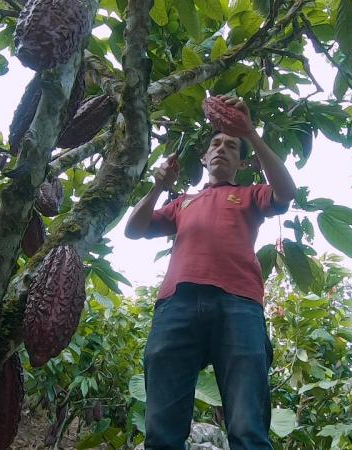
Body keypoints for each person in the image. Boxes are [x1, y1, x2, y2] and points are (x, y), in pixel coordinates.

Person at [124, 96, 297, 449]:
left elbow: (286, 192)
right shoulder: (182, 202)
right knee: (162, 427)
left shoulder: (250, 194)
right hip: (177, 303)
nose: (221, 149)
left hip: (239, 303)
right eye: (215, 144)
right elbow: (133, 229)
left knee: (248, 425)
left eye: (231, 146)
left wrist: (249, 131)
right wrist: (159, 185)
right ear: (203, 158)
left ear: (241, 161)